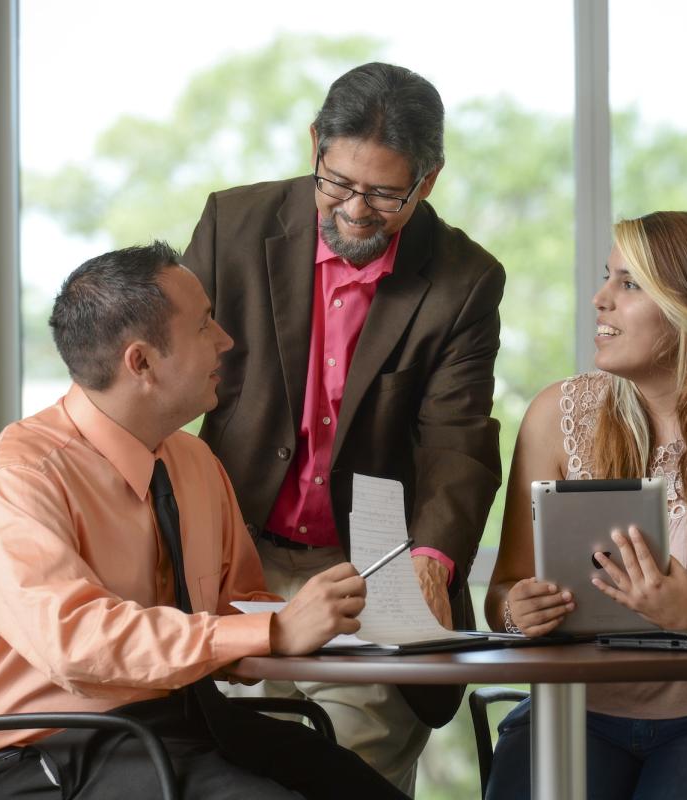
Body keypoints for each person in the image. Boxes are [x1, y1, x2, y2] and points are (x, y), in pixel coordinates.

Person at [182, 61, 505, 791]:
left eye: (387, 193)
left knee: (359, 774)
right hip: (239, 554)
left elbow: (457, 436)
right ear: (314, 148)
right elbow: (170, 380)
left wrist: (431, 560)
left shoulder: (464, 278)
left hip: (374, 568)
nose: (357, 210)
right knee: (237, 771)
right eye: (340, 183)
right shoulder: (232, 225)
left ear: (428, 181)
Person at [0, 242, 408, 800]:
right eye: (206, 323)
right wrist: (273, 630)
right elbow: (76, 643)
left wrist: (313, 617)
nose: (226, 341)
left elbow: (238, 606)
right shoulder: (18, 474)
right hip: (55, 748)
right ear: (141, 363)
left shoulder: (194, 462)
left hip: (185, 723)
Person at [484, 211, 687, 799]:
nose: (600, 300)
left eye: (629, 283)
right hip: (580, 707)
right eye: (607, 278)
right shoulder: (556, 414)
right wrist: (519, 611)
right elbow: (505, 591)